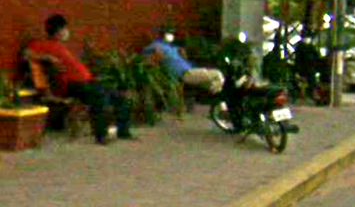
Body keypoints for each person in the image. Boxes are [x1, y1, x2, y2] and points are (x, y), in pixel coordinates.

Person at [25, 14, 133, 145]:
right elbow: (26, 54)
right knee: (99, 96)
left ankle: (123, 132)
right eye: (65, 29)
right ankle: (101, 135)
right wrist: (47, 57)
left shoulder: (59, 46)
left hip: (87, 83)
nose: (67, 32)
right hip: (72, 85)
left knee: (120, 95)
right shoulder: (43, 44)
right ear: (59, 31)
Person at [143, 30, 224, 94]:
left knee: (212, 83)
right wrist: (156, 57)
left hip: (189, 68)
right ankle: (212, 95)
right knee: (218, 74)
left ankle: (213, 97)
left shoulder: (171, 47)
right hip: (184, 73)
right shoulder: (155, 46)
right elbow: (147, 57)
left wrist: (182, 53)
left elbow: (183, 55)